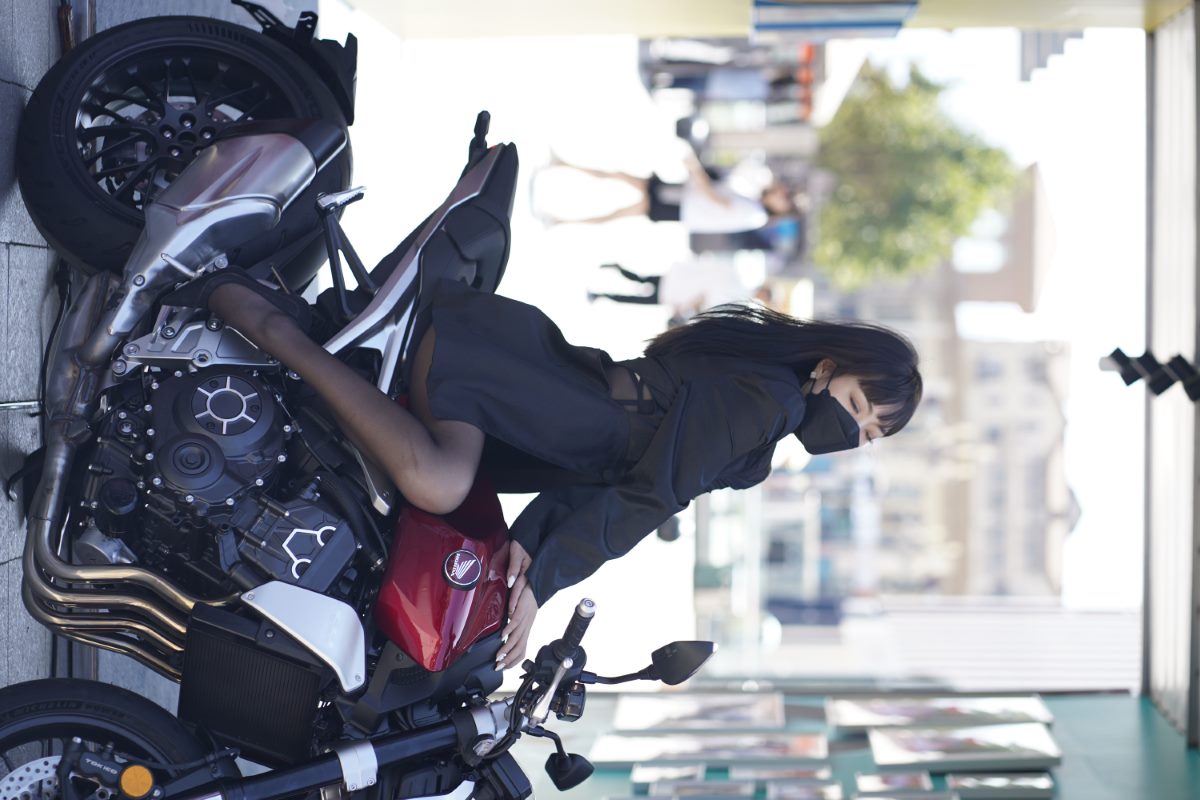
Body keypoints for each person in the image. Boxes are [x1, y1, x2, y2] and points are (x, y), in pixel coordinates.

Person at [176, 272, 922, 670]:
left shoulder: (760, 440)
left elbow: (612, 483)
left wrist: (529, 562)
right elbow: (648, 496)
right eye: (858, 405)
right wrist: (545, 581)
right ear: (829, 368)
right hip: (499, 376)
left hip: (519, 404)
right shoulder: (769, 401)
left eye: (867, 434)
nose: (852, 431)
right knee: (437, 483)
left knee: (436, 533)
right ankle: (263, 323)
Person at [543, 151, 798, 234]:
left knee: (618, 212)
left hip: (683, 206)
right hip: (685, 197)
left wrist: (696, 170)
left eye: (785, 199)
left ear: (783, 210)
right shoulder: (756, 200)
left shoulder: (755, 214)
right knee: (621, 177)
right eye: (784, 192)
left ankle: (562, 220)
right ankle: (563, 163)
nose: (780, 195)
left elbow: (716, 200)